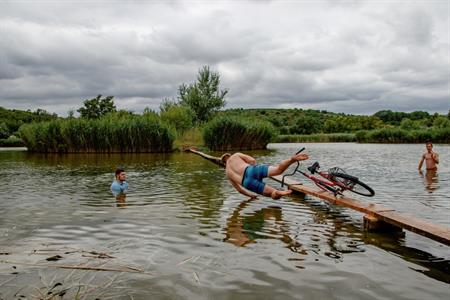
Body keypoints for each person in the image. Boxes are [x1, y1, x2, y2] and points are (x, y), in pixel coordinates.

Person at [221, 151, 309, 200]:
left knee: (272, 194)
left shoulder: (227, 172)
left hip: (246, 182)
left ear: (225, 163)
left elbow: (240, 190)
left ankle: (277, 192)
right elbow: (252, 160)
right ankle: (291, 160)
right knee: (278, 169)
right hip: (250, 170)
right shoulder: (236, 155)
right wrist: (255, 169)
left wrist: (252, 196)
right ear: (229, 155)